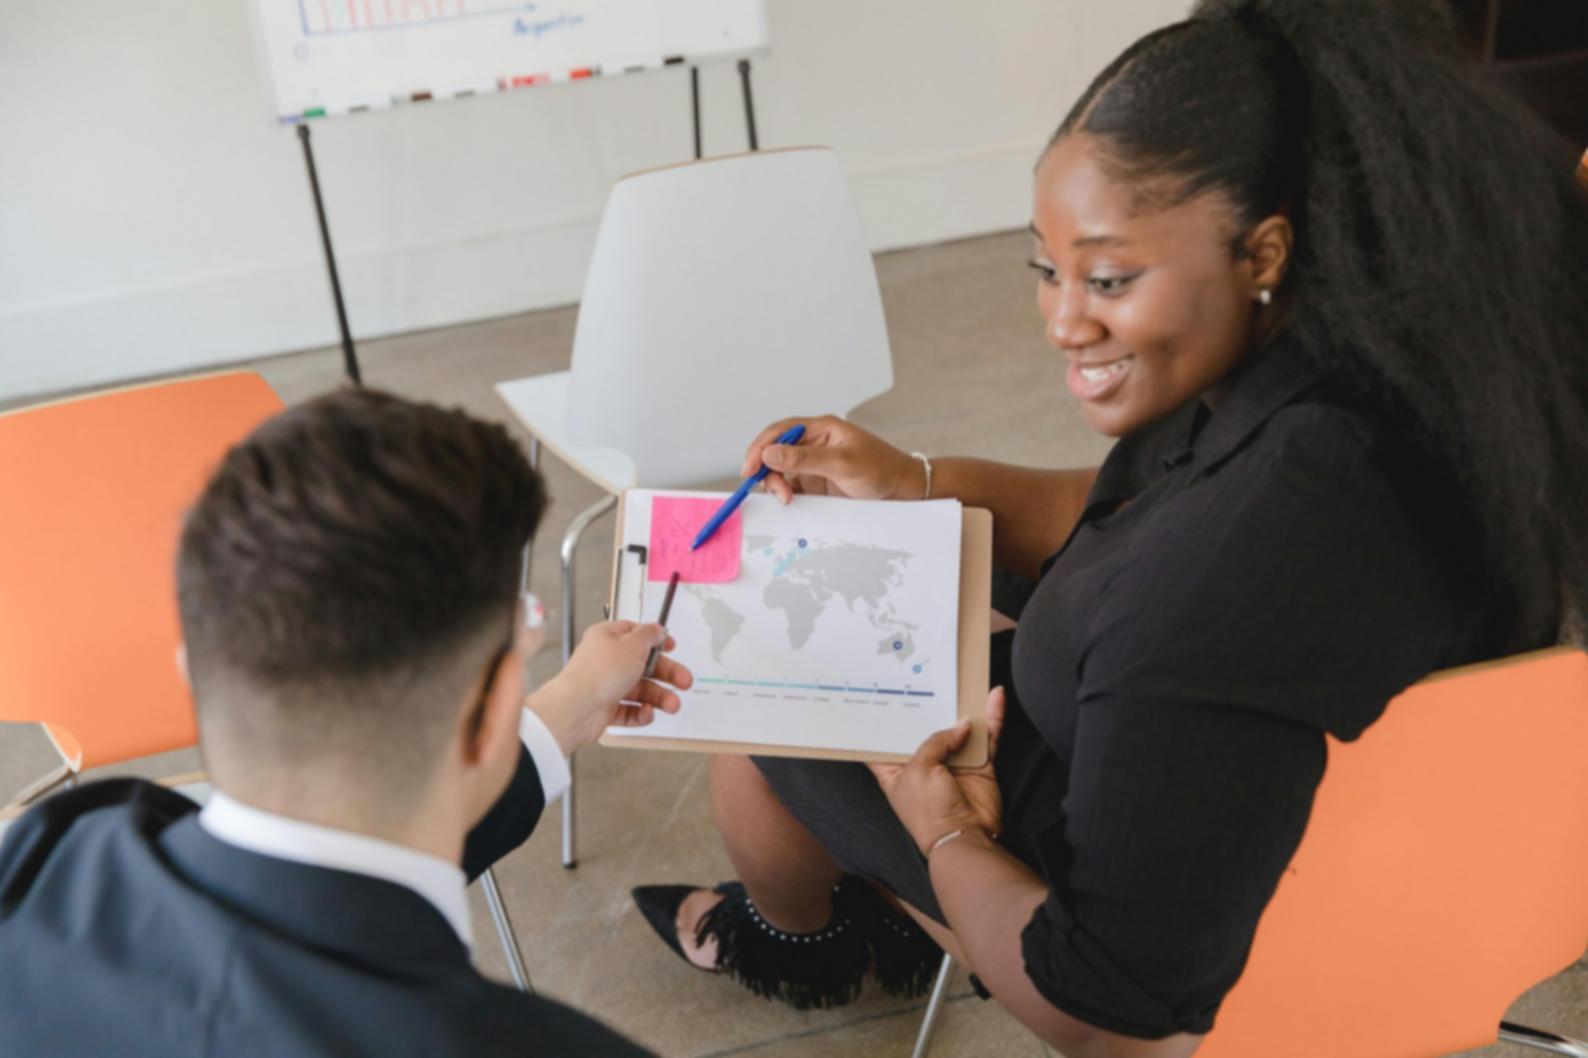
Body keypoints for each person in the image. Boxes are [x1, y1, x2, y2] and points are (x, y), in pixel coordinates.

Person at [631, 0, 1588, 1054]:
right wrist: (913, 483)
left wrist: (943, 833)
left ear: (1265, 247)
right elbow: (1132, 510)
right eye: (1046, 269)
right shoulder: (1389, 376)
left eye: (1108, 278)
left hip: (1178, 934)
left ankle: (794, 938)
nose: (1060, 322)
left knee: (762, 696)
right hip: (1445, 866)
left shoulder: (1213, 584)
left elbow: (1099, 1014)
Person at [0, 389, 692, 1057]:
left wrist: (567, 706)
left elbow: (330, 871)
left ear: (193, 670)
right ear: (487, 714)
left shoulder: (44, 856)